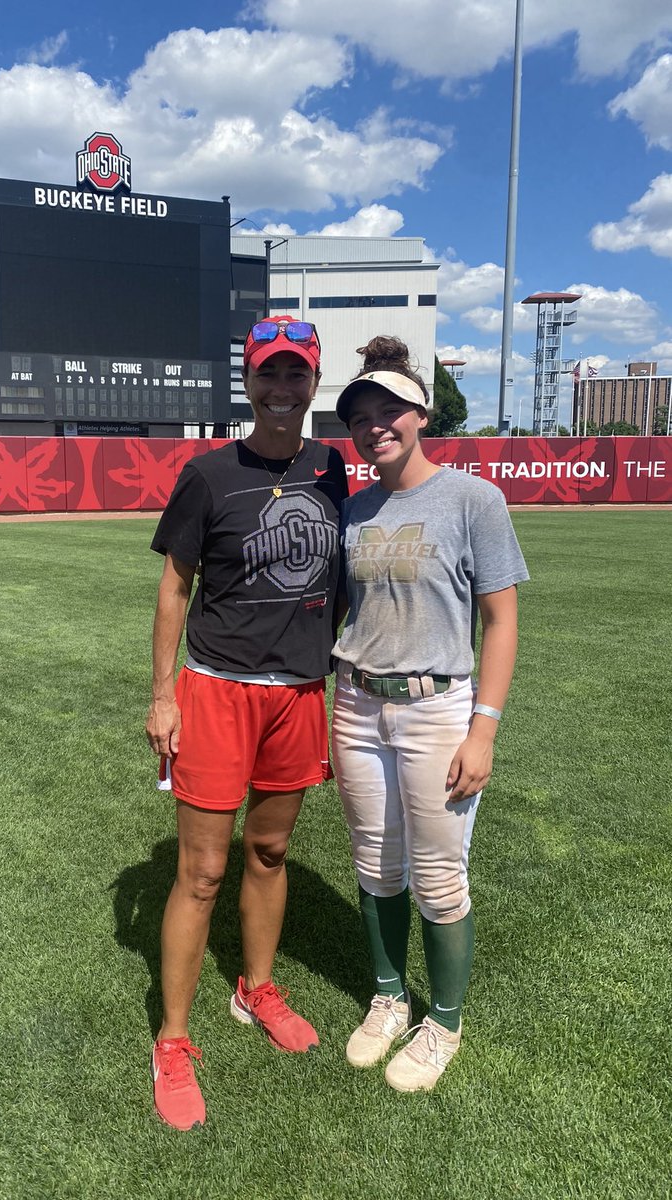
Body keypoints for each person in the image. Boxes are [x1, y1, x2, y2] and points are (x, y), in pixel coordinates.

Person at [145, 316, 348, 1130]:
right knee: (201, 871)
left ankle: (255, 987)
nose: (281, 389)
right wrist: (163, 695)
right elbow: (173, 588)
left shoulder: (335, 471)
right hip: (218, 690)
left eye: (296, 375)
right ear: (248, 379)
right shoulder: (207, 475)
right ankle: (172, 1036)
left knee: (269, 850)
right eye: (269, 374)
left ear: (313, 383)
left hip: (299, 692)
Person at [331, 335, 528, 1093]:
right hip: (355, 705)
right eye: (361, 416)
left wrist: (485, 725)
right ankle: (389, 997)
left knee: (440, 877)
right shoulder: (353, 508)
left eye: (390, 411)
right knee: (377, 868)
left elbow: (501, 621)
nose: (375, 426)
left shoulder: (474, 499)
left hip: (437, 709)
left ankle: (442, 1021)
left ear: (422, 415)